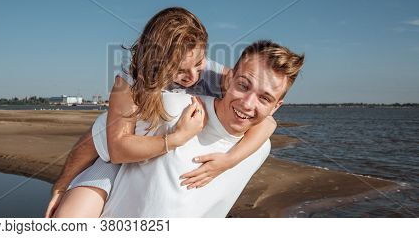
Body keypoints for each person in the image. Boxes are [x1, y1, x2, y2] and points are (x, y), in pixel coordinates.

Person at [46, 8, 277, 217]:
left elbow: (267, 122)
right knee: (69, 218)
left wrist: (227, 162)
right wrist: (61, 186)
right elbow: (109, 147)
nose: (193, 77)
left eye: (198, 64)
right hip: (119, 158)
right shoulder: (129, 83)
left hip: (156, 161)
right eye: (179, 70)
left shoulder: (217, 75)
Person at [100, 40, 305, 217]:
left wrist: (230, 161)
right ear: (229, 78)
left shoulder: (260, 149)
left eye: (264, 98)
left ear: (276, 106)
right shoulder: (173, 108)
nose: (248, 104)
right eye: (243, 86)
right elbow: (105, 138)